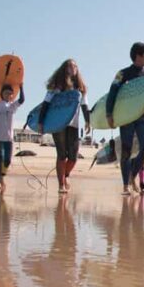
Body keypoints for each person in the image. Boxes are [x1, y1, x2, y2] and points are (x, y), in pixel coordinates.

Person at [105, 42, 144, 196]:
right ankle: (126, 185)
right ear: (138, 56)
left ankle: (133, 176)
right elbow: (112, 94)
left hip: (143, 116)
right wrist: (109, 114)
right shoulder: (122, 74)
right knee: (126, 150)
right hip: (126, 117)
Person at [38, 59, 90, 194]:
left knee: (73, 157)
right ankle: (61, 184)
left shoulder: (80, 87)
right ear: (64, 69)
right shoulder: (57, 86)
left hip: (74, 124)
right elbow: (46, 103)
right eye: (70, 66)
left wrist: (88, 121)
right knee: (61, 155)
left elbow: (84, 106)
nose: (73, 68)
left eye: (75, 66)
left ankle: (65, 175)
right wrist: (41, 122)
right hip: (59, 123)